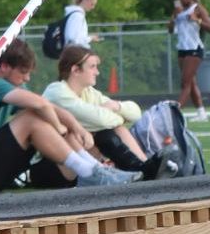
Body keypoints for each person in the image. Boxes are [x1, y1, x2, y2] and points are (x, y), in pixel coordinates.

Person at [0, 37, 139, 193]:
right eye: (23, 72)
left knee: (40, 115)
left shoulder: (2, 87)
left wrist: (75, 127)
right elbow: (39, 104)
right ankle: (89, 173)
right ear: (4, 66)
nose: (27, 78)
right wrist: (60, 128)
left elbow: (47, 106)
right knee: (32, 117)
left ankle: (94, 170)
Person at [44, 44, 153, 172]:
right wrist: (121, 117)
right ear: (76, 70)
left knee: (115, 129)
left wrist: (116, 106)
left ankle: (145, 167)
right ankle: (143, 169)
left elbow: (136, 114)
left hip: (78, 159)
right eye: (92, 67)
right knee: (106, 132)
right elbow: (101, 119)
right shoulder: (57, 91)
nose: (97, 72)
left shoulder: (88, 92)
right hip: (55, 164)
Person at [168, 0, 210, 120]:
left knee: (185, 82)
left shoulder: (197, 9)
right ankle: (201, 112)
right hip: (182, 49)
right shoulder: (178, 11)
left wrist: (196, 20)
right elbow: (170, 30)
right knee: (191, 82)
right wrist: (174, 18)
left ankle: (176, 111)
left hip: (194, 49)